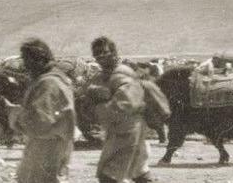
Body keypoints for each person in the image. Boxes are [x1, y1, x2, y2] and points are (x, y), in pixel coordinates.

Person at [87, 36, 153, 183]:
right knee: (139, 171)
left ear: (114, 53)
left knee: (109, 176)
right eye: (97, 54)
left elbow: (126, 104)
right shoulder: (104, 75)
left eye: (104, 52)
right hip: (121, 130)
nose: (100, 57)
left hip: (128, 130)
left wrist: (99, 104)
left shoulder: (122, 73)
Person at [9, 38, 76, 183]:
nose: (25, 65)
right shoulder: (57, 79)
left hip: (46, 146)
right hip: (54, 144)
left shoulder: (48, 83)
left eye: (27, 60)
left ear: (38, 60)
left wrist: (17, 119)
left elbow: (40, 122)